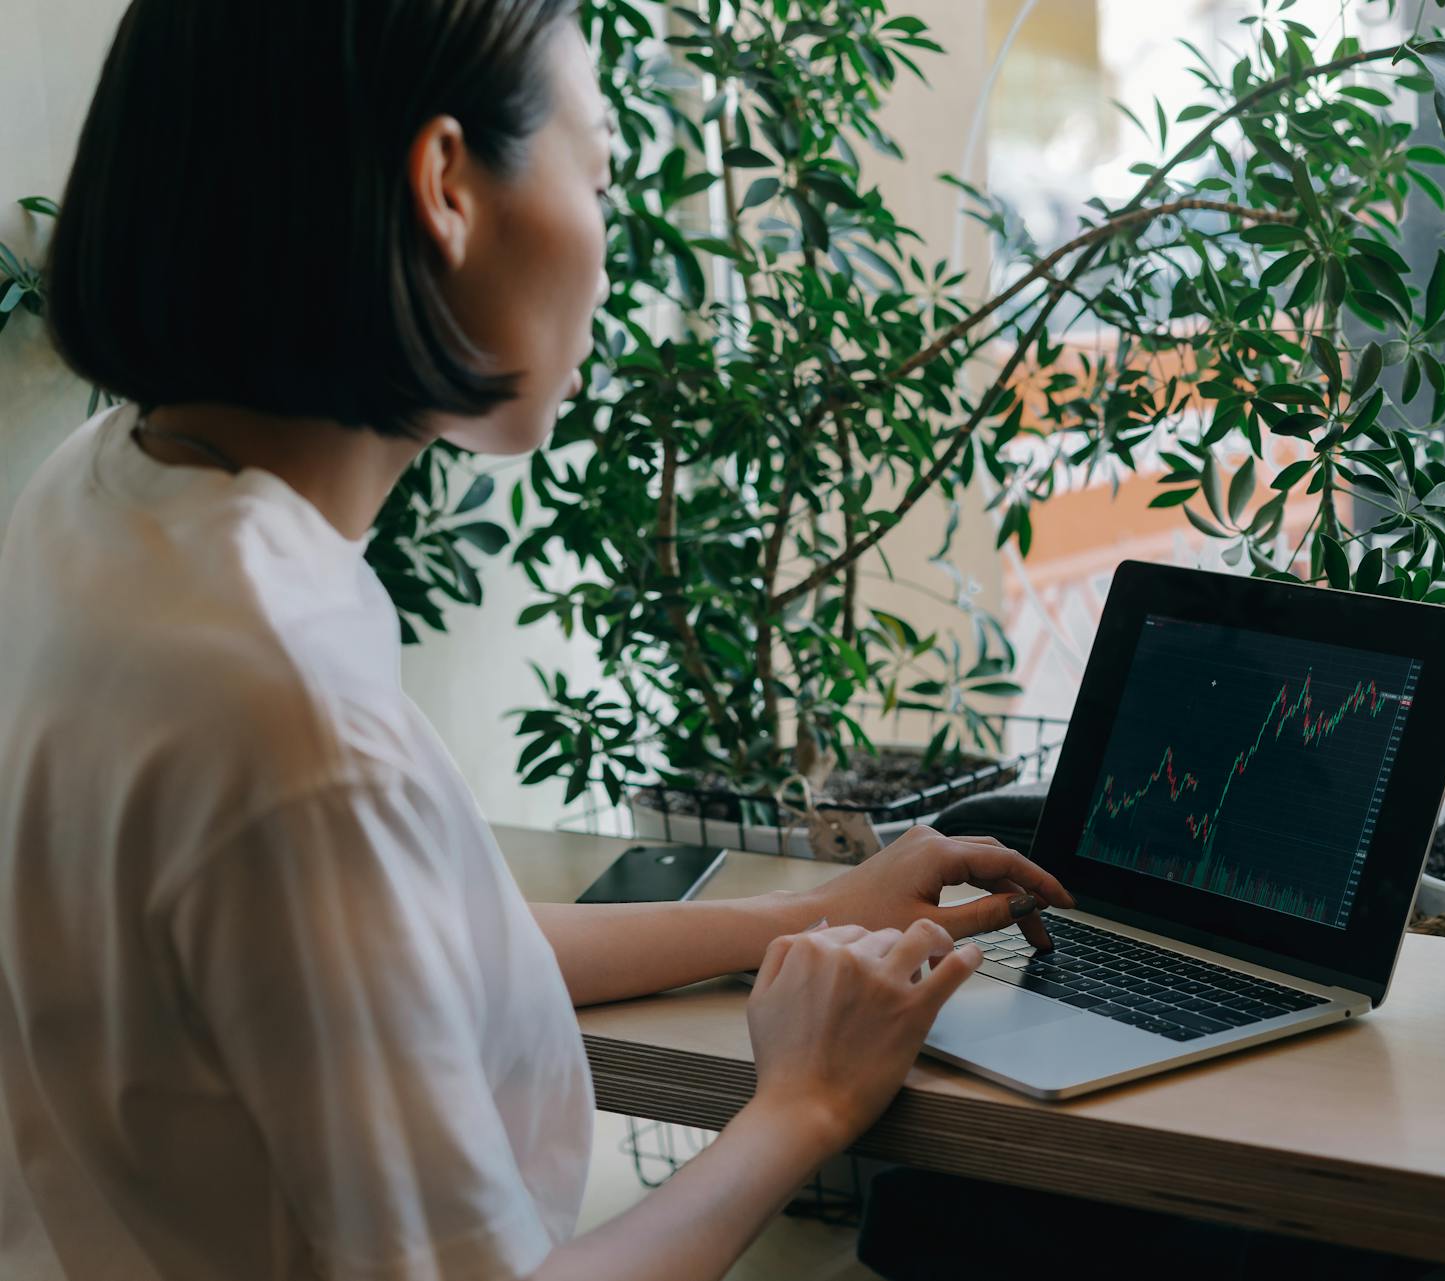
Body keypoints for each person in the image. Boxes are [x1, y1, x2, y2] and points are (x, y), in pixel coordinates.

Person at [0, 3, 1072, 1278]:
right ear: (447, 188)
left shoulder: (108, 492)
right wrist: (806, 1105)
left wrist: (819, 908)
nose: (613, 250)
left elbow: (435, 939)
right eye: (605, 170)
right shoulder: (284, 719)